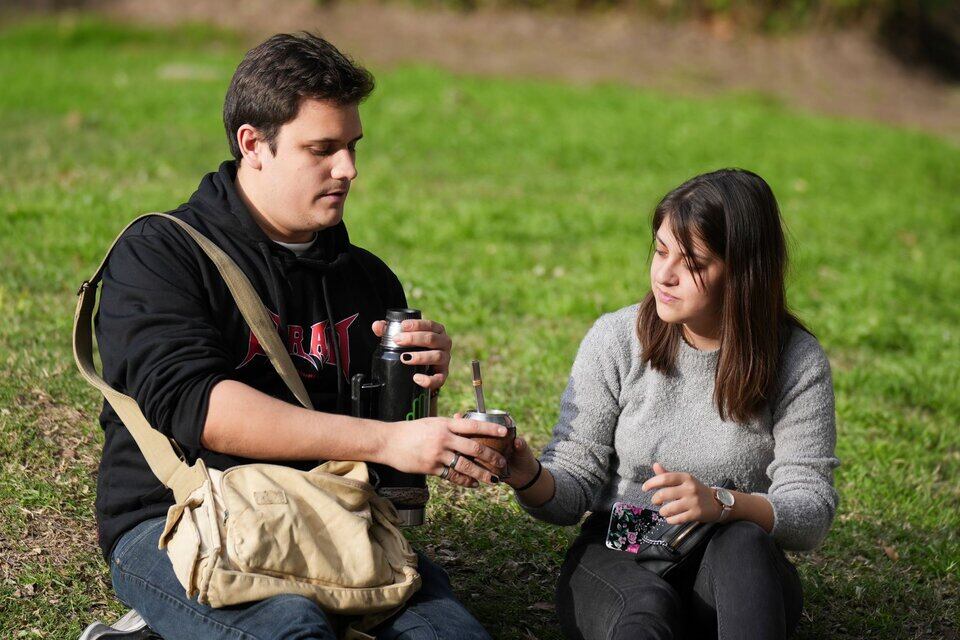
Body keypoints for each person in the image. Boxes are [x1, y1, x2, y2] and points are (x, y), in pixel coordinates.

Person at [94, 32, 503, 640]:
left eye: (353, 146)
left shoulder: (365, 277)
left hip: (330, 520)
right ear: (253, 144)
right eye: (323, 149)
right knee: (293, 630)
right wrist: (388, 439)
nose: (349, 169)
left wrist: (424, 414)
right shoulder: (160, 254)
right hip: (183, 519)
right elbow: (200, 408)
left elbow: (379, 459)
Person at [503, 169, 840, 639]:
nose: (664, 274)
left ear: (743, 273)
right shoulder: (617, 338)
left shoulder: (795, 361)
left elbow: (810, 512)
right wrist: (528, 474)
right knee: (646, 612)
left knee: (743, 542)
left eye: (693, 262)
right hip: (621, 543)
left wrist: (724, 504)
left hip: (730, 558)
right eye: (661, 250)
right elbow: (572, 488)